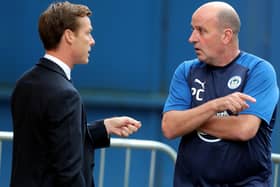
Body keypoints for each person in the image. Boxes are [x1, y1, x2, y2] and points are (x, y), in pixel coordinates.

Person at [10, 1, 141, 187]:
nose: (92, 40)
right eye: (87, 33)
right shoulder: (65, 94)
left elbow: (47, 141)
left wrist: (104, 127)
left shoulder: (24, 83)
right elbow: (68, 171)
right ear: (69, 36)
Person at [162, 1, 279, 186]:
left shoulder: (258, 70)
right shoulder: (186, 71)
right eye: (192, 29)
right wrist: (215, 105)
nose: (192, 38)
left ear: (226, 36)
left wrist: (190, 120)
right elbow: (169, 127)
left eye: (201, 31)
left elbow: (244, 129)